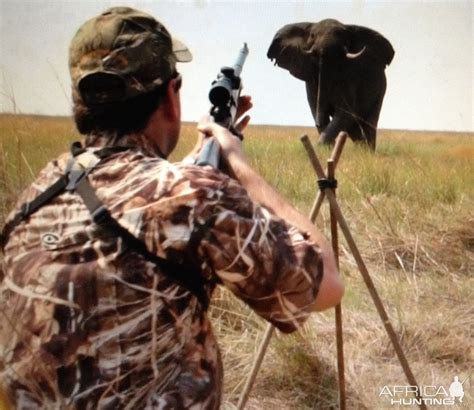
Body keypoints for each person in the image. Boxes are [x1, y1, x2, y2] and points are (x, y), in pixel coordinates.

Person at [0, 6, 343, 409]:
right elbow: (327, 284)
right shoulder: (192, 196)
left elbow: (126, 195)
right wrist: (239, 166)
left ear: (82, 101)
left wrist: (196, 170)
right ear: (170, 95)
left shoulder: (34, 197)